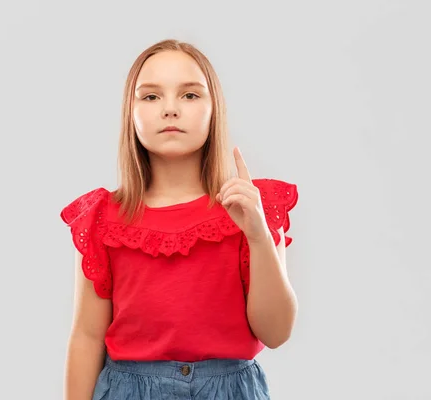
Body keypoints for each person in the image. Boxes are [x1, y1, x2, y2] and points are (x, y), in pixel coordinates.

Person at [60, 38, 299, 399]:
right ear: (130, 112)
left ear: (213, 108)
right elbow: (87, 336)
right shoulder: (102, 218)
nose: (170, 109)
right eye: (151, 96)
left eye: (190, 95)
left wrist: (258, 235)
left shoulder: (253, 208)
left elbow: (276, 332)